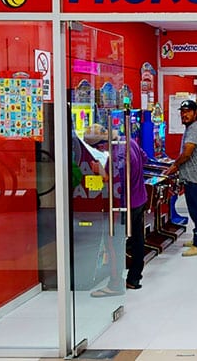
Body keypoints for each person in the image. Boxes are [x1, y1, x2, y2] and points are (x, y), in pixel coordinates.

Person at [82, 123, 148, 296]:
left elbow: (117, 184)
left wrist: (100, 172)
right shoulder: (129, 141)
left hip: (125, 205)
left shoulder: (118, 155)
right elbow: (144, 158)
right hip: (140, 198)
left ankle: (115, 284)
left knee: (113, 242)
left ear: (101, 145)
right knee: (138, 240)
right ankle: (134, 279)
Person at [163, 99, 197, 257]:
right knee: (195, 212)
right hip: (191, 178)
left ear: (195, 113)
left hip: (195, 178)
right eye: (182, 112)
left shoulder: (194, 129)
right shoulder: (191, 128)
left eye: (188, 111)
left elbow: (187, 152)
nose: (184, 114)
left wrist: (174, 166)